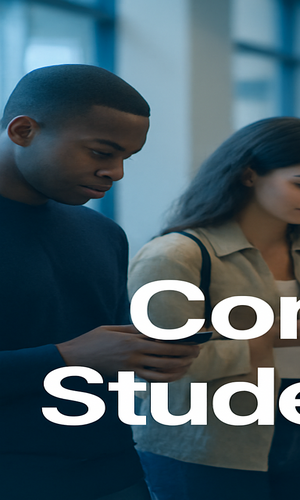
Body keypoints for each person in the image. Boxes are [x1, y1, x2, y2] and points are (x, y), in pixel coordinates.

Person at [127, 117, 300, 500]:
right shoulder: (177, 255)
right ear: (248, 176)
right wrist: (287, 332)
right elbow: (160, 364)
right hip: (209, 437)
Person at [0, 64, 200, 500]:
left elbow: (105, 355)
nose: (117, 172)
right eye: (101, 152)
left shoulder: (102, 233)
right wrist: (66, 356)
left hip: (113, 470)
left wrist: (146, 359)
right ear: (23, 131)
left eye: (126, 157)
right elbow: (80, 353)